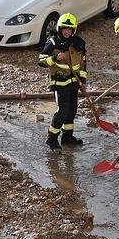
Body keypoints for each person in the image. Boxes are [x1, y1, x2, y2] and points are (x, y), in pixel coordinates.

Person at [40, 13, 86, 150]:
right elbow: (41, 60)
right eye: (64, 29)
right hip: (60, 83)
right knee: (62, 111)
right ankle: (51, 139)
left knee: (72, 111)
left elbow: (83, 64)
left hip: (74, 83)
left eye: (70, 29)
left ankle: (67, 136)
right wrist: (55, 57)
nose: (67, 32)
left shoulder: (79, 43)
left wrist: (83, 81)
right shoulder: (53, 42)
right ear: (60, 29)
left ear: (74, 30)